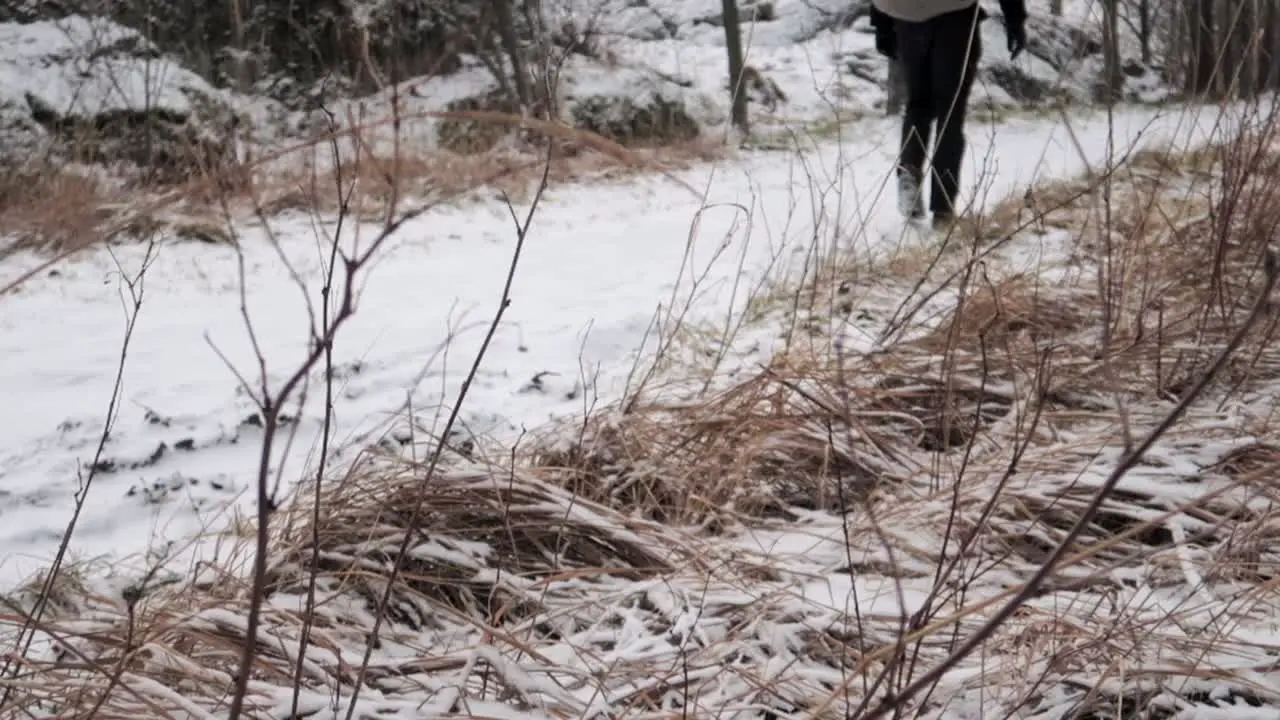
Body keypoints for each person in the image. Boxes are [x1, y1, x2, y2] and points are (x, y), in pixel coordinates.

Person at [870, 0, 1028, 229]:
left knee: (918, 102)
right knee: (951, 109)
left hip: (905, 14)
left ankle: (909, 170)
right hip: (955, 15)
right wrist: (1015, 20)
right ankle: (942, 208)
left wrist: (881, 22)